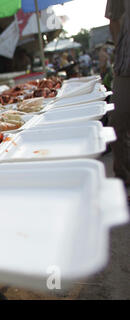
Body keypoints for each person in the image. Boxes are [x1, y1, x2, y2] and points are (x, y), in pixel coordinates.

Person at [106, 0, 130, 191]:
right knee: (116, 124)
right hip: (126, 64)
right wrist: (119, 49)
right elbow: (113, 18)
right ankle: (124, 178)